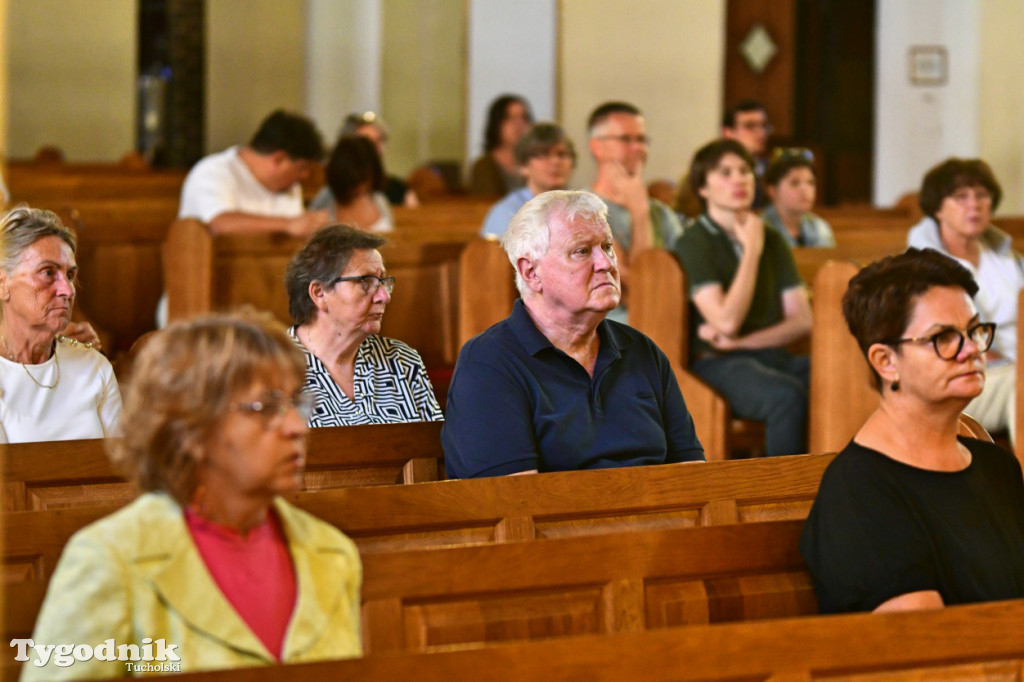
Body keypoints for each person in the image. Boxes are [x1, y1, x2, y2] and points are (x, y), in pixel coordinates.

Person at [24, 310, 363, 679]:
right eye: (266, 408)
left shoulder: (332, 553)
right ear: (193, 430)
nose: (298, 427)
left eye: (296, 404)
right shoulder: (110, 560)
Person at [800, 248, 1024, 614]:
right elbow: (924, 650)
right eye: (944, 338)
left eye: (974, 331)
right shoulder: (859, 491)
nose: (970, 350)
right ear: (886, 362)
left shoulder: (998, 467)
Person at [443, 190, 704, 479]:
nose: (606, 263)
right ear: (531, 273)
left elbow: (691, 477)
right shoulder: (489, 363)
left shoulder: (642, 351)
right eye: (581, 251)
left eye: (607, 247)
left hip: (660, 519)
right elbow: (515, 504)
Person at [674, 139, 811, 457]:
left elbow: (802, 321)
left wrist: (742, 343)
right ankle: (783, 500)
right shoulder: (695, 242)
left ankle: (830, 489)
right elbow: (726, 321)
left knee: (833, 380)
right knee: (785, 397)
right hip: (716, 363)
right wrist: (751, 251)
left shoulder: (772, 238)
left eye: (745, 171)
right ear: (703, 188)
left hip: (766, 354)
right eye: (725, 173)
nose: (739, 179)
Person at [907, 158, 1021, 443]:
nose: (974, 205)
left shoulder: (1007, 258)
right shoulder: (923, 266)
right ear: (938, 208)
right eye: (961, 197)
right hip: (965, 374)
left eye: (982, 196)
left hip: (1015, 365)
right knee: (1020, 384)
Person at [285, 225, 442, 426]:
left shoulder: (402, 361)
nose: (384, 296)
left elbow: (436, 452)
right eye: (366, 282)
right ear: (319, 293)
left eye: (383, 282)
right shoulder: (271, 368)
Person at [0, 206, 121, 443]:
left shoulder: (93, 365)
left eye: (69, 275)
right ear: (3, 285)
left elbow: (125, 470)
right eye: (47, 273)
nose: (67, 290)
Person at [588, 101, 684, 324]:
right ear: (597, 147)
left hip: (666, 325)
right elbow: (629, 288)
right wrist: (640, 214)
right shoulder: (583, 209)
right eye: (626, 139)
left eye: (641, 139)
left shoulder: (662, 213)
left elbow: (681, 281)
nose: (637, 148)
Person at [178, 109, 331, 236]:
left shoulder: (289, 186)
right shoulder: (212, 171)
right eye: (302, 167)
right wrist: (288, 224)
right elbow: (218, 223)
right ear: (279, 159)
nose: (305, 176)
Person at [480, 122, 576, 238]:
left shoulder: (584, 209)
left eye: (562, 154)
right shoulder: (507, 213)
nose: (555, 162)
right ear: (523, 166)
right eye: (544, 155)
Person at [310, 136, 393, 233]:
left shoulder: (379, 199)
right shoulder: (327, 198)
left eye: (364, 178)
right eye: (355, 180)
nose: (360, 187)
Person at [339, 111, 419, 207]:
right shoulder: (338, 190)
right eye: (366, 143)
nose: (373, 149)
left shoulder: (398, 189)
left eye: (378, 141)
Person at [761, 147, 835, 248]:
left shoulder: (819, 227)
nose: (805, 190)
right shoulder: (760, 229)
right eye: (795, 183)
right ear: (772, 190)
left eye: (810, 183)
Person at [468, 94, 533, 196]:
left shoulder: (536, 162)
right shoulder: (483, 167)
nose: (519, 124)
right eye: (510, 118)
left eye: (523, 117)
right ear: (497, 123)